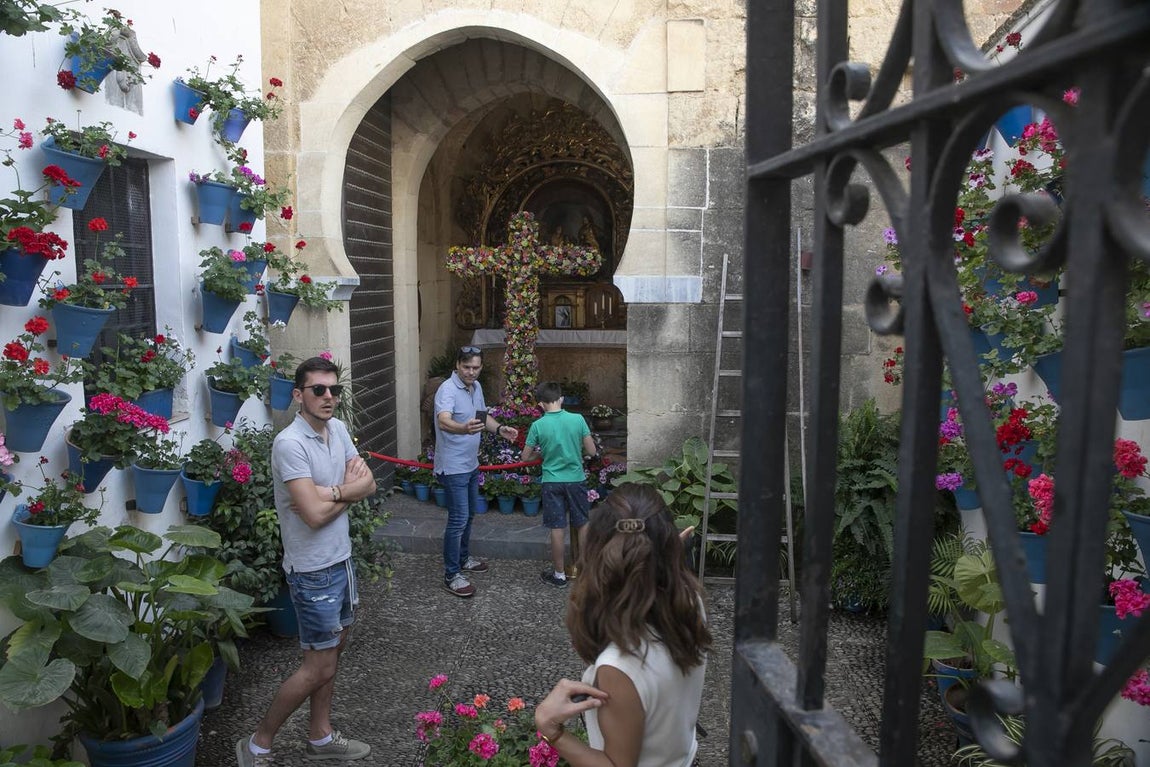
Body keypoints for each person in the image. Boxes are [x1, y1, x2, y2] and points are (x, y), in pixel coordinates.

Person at [236, 356, 377, 767]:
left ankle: (320, 736)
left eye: (335, 389)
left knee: (332, 658)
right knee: (317, 667)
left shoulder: (338, 428)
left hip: (342, 560)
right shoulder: (290, 443)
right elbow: (312, 517)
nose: (329, 397)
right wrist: (346, 492)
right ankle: (257, 743)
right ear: (299, 395)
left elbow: (365, 484)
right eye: (319, 390)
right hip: (313, 571)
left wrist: (332, 493)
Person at [533, 483, 710, 767]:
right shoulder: (689, 603)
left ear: (595, 549)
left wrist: (551, 730)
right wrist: (666, 556)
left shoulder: (619, 666)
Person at [434, 345, 518, 597]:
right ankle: (451, 575)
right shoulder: (447, 389)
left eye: (475, 367)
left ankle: (463, 559)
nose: (471, 372)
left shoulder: (476, 387)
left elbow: (482, 418)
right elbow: (443, 420)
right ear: (458, 365)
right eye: (466, 367)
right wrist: (463, 428)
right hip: (453, 466)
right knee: (458, 519)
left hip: (471, 463)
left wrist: (500, 429)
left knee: (469, 515)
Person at [519, 381, 598, 587]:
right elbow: (591, 451)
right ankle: (586, 573)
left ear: (541, 404)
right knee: (582, 524)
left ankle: (559, 574)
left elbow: (525, 456)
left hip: (552, 481)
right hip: (576, 479)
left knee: (557, 527)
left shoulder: (538, 425)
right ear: (561, 399)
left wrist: (541, 453)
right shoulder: (578, 419)